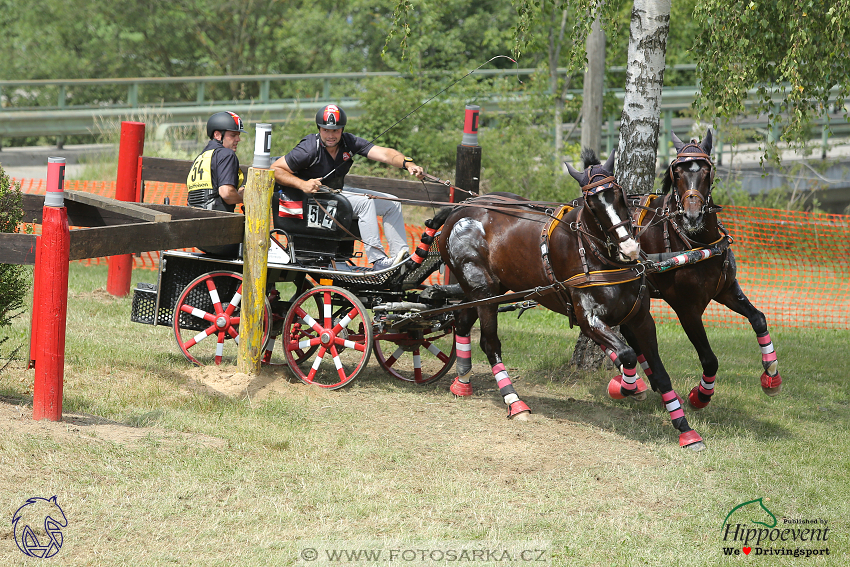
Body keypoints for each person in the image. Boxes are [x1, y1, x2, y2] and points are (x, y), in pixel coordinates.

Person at [271, 104, 425, 271]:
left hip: (334, 195)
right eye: (326, 130)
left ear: (342, 129)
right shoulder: (308, 149)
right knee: (365, 202)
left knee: (392, 202)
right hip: (312, 200)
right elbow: (274, 169)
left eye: (335, 130)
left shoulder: (349, 142)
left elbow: (385, 154)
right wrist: (303, 184)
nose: (331, 135)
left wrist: (407, 164)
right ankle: (378, 260)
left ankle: (401, 258)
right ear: (319, 129)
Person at [187, 111, 246, 257]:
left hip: (196, 233)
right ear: (217, 135)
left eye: (238, 135)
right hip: (220, 233)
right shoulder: (226, 154)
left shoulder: (201, 158)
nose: (238, 139)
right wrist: (245, 197)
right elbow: (226, 193)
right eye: (233, 135)